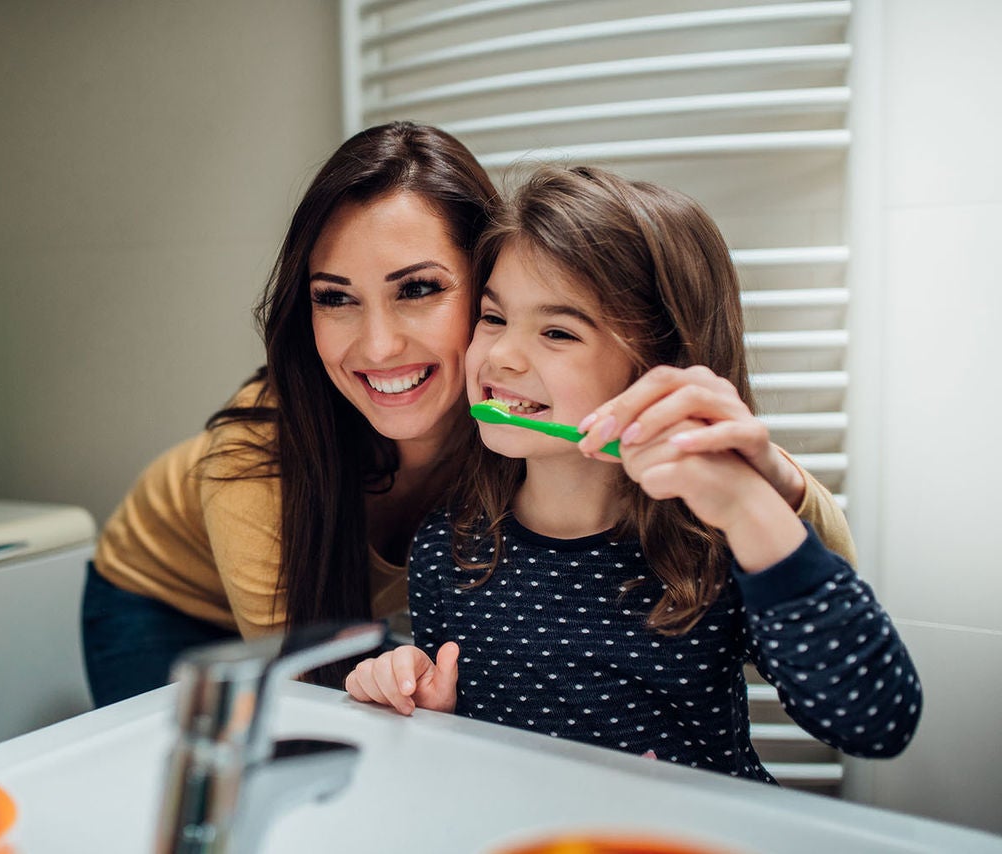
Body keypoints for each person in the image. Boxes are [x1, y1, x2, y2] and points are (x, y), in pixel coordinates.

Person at [84, 122, 855, 707]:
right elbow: (318, 695)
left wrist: (765, 476)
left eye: (418, 289)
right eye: (334, 298)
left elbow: (829, 586)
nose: (378, 345)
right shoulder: (258, 459)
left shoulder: (519, 416)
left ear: (492, 282)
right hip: (160, 603)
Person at [343, 165, 920, 780]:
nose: (502, 355)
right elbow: (465, 746)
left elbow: (876, 724)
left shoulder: (714, 544)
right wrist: (419, 705)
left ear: (657, 368)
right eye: (493, 317)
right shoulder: (448, 547)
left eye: (558, 331)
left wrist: (747, 508)